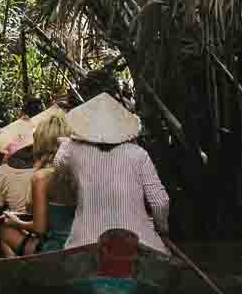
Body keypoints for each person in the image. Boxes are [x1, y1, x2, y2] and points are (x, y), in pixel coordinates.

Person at [52, 94, 169, 252]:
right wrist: (162, 229)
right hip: (140, 242)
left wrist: (67, 143)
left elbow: (58, 166)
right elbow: (160, 202)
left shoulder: (72, 150)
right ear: (120, 126)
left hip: (84, 243)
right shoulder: (138, 153)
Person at [0, 117, 39, 258]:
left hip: (23, 231)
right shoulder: (51, 167)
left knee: (1, 226)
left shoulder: (4, 172)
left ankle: (12, 264)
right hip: (40, 232)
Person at [16, 108, 76, 251]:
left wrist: (15, 222)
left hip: (57, 249)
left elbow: (39, 228)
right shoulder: (79, 170)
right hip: (82, 244)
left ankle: (19, 272)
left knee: (6, 232)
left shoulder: (42, 177)